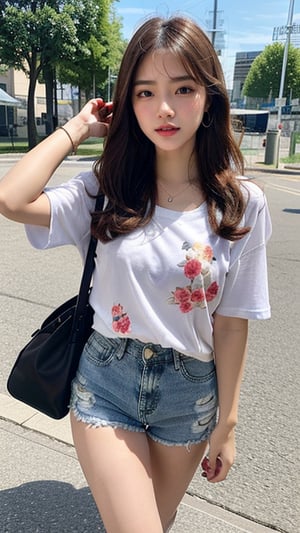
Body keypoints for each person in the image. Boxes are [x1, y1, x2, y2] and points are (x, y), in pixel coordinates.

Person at [0, 16, 271, 533]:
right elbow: (12, 199)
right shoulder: (106, 187)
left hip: (189, 393)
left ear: (209, 96)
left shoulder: (241, 205)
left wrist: (227, 424)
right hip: (106, 380)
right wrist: (79, 127)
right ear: (128, 102)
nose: (163, 109)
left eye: (183, 88)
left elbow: (234, 321)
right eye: (145, 92)